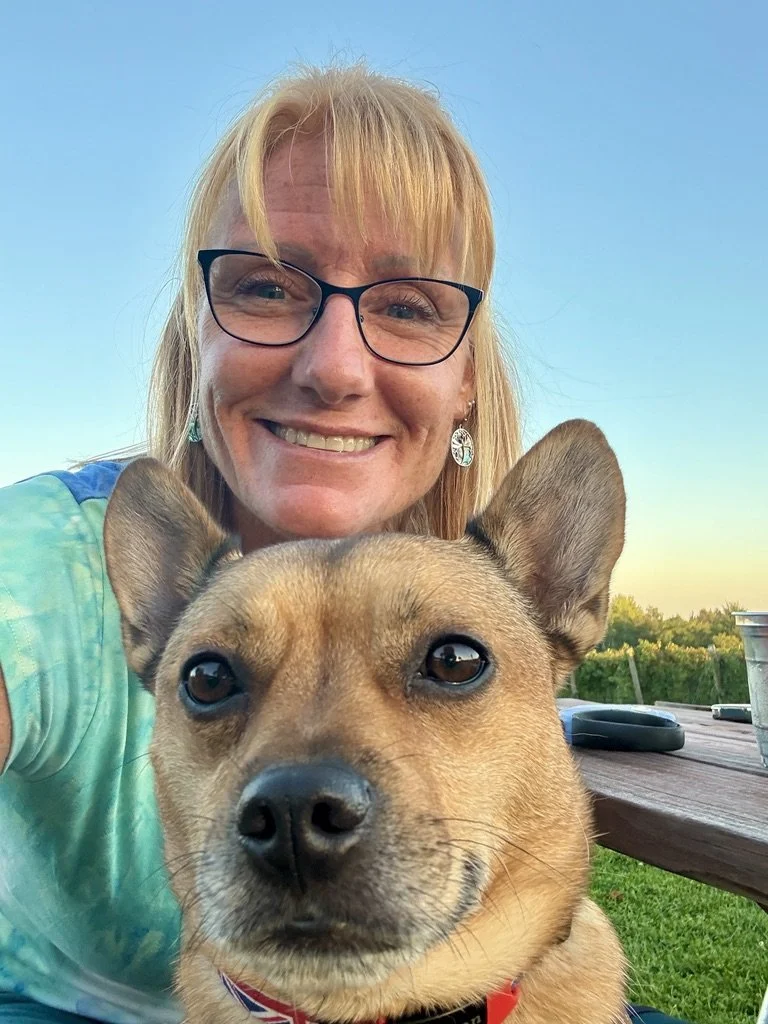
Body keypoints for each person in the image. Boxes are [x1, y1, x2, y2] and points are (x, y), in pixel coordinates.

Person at [0, 63, 690, 1024]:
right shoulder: (37, 562)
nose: (334, 367)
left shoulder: (490, 582)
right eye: (267, 287)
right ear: (196, 342)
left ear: (464, 382)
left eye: (448, 665)